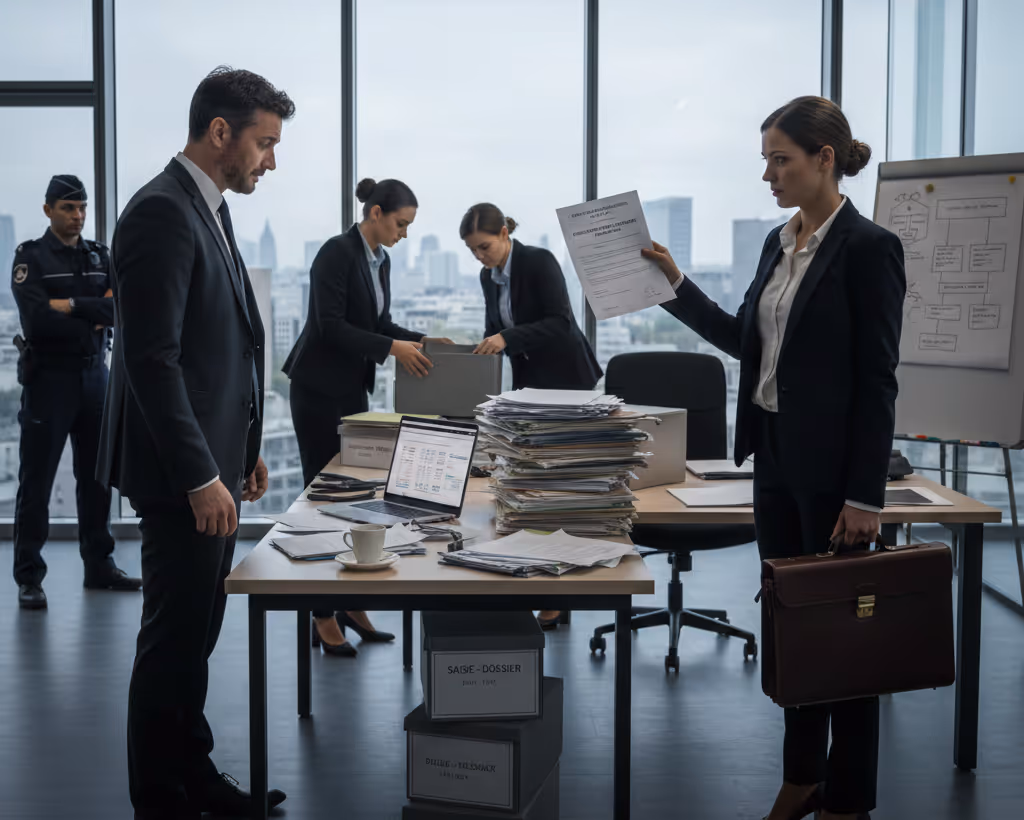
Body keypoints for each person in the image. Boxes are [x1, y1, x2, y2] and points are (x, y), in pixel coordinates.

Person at [642, 96, 904, 820]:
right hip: (775, 460)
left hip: (836, 472)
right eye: (764, 160)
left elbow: (879, 380)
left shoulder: (870, 249)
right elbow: (745, 341)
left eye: (779, 159)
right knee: (793, 633)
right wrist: (675, 285)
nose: (768, 173)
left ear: (825, 160)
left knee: (846, 639)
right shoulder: (774, 244)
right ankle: (802, 775)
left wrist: (865, 495)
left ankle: (847, 795)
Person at [96, 67, 292, 819]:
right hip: (179, 477)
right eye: (264, 144)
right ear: (220, 133)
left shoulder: (205, 206)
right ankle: (161, 799)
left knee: (196, 635)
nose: (270, 162)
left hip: (209, 465)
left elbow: (222, 338)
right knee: (173, 637)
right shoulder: (159, 213)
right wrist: (197, 474)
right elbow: (153, 360)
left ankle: (195, 775)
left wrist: (239, 450)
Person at [284, 177, 448, 655]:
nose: (403, 233)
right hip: (317, 388)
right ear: (375, 213)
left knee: (355, 494)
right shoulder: (336, 253)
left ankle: (350, 602)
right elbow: (329, 325)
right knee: (323, 499)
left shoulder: (381, 260)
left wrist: (416, 340)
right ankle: (320, 615)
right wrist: (390, 347)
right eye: (400, 223)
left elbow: (375, 325)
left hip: (351, 388)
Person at [461, 202, 602, 630]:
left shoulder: (538, 262)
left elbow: (560, 323)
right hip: (529, 388)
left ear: (504, 232)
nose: (480, 257)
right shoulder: (489, 277)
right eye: (472, 251)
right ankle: (538, 581)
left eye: (484, 246)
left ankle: (557, 593)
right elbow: (495, 330)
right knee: (531, 490)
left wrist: (506, 337)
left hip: (565, 383)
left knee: (556, 493)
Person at [10, 174, 140, 610]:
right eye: (68, 208)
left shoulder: (100, 255)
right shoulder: (31, 257)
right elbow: (37, 321)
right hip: (49, 379)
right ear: (48, 210)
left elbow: (121, 308)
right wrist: (91, 312)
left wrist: (71, 305)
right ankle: (29, 576)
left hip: (93, 377)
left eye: (82, 208)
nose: (78, 216)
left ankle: (99, 565)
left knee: (96, 477)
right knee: (37, 481)